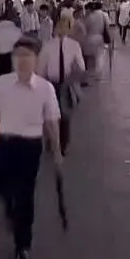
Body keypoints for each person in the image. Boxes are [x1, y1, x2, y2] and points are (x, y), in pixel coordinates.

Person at [0, 37, 64, 259]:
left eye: (27, 56)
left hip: (30, 147)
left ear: (36, 59)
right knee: (8, 189)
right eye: (18, 56)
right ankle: (10, 208)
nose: (22, 61)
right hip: (5, 143)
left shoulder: (45, 89)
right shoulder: (2, 84)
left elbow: (52, 123)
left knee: (25, 195)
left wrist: (57, 151)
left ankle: (23, 246)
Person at [38, 17, 85, 156]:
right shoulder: (71, 45)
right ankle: (59, 143)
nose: (61, 30)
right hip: (60, 84)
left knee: (56, 115)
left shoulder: (50, 45)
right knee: (61, 116)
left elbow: (40, 69)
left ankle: (56, 142)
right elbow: (81, 68)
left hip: (59, 85)